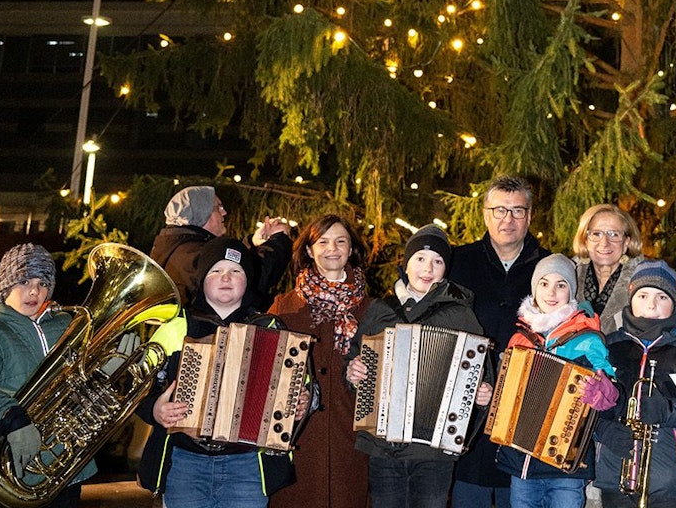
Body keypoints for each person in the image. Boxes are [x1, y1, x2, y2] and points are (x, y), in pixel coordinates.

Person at [137, 238, 304, 508]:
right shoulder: (175, 327)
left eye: (236, 271)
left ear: (247, 280)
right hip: (185, 463)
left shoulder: (270, 327)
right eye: (216, 270)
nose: (226, 277)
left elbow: (300, 386)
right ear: (202, 278)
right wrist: (155, 409)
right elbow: (139, 387)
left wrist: (303, 401)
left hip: (248, 465)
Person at [344, 225, 494, 508]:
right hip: (383, 445)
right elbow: (354, 360)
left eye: (438, 261)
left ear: (445, 269)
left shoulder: (460, 313)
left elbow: (481, 371)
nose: (428, 268)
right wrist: (352, 373)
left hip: (434, 451)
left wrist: (483, 393)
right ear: (406, 263)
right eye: (420, 259)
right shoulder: (381, 309)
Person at [0, 244, 96, 508]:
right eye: (24, 280)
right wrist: (11, 419)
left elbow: (83, 382)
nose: (34, 291)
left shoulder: (66, 326)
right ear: (5, 285)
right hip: (15, 476)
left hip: (68, 472)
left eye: (43, 283)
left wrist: (106, 370)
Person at [449, 175, 551, 508]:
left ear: (530, 216)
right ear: (485, 214)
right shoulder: (455, 262)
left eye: (517, 210)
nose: (508, 219)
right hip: (465, 415)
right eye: (499, 210)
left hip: (524, 413)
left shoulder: (550, 268)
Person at [595, 260, 676, 508]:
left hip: (669, 483)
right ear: (631, 297)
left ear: (674, 304)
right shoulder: (608, 348)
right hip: (614, 477)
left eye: (662, 297)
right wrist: (604, 431)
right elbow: (584, 404)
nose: (651, 305)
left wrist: (668, 410)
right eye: (643, 295)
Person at [497, 254, 619, 508]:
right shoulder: (520, 337)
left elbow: (612, 391)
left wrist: (605, 391)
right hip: (522, 463)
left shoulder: (588, 339)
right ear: (534, 288)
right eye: (544, 283)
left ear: (571, 292)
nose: (551, 292)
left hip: (567, 463)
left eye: (561, 285)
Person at [268, 215, 370, 508]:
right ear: (310, 250)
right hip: (298, 436)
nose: (332, 248)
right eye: (322, 241)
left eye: (341, 241)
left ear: (351, 249)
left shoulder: (372, 309)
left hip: (350, 436)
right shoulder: (284, 307)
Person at [149, 185, 292, 309]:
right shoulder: (195, 255)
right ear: (202, 213)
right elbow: (252, 279)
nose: (224, 212)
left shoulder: (179, 248)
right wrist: (279, 240)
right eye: (218, 207)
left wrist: (253, 243)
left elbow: (233, 264)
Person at [571, 204, 646, 335]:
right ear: (585, 240)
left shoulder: (643, 282)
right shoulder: (568, 277)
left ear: (626, 242)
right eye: (596, 234)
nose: (604, 242)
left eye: (614, 234)